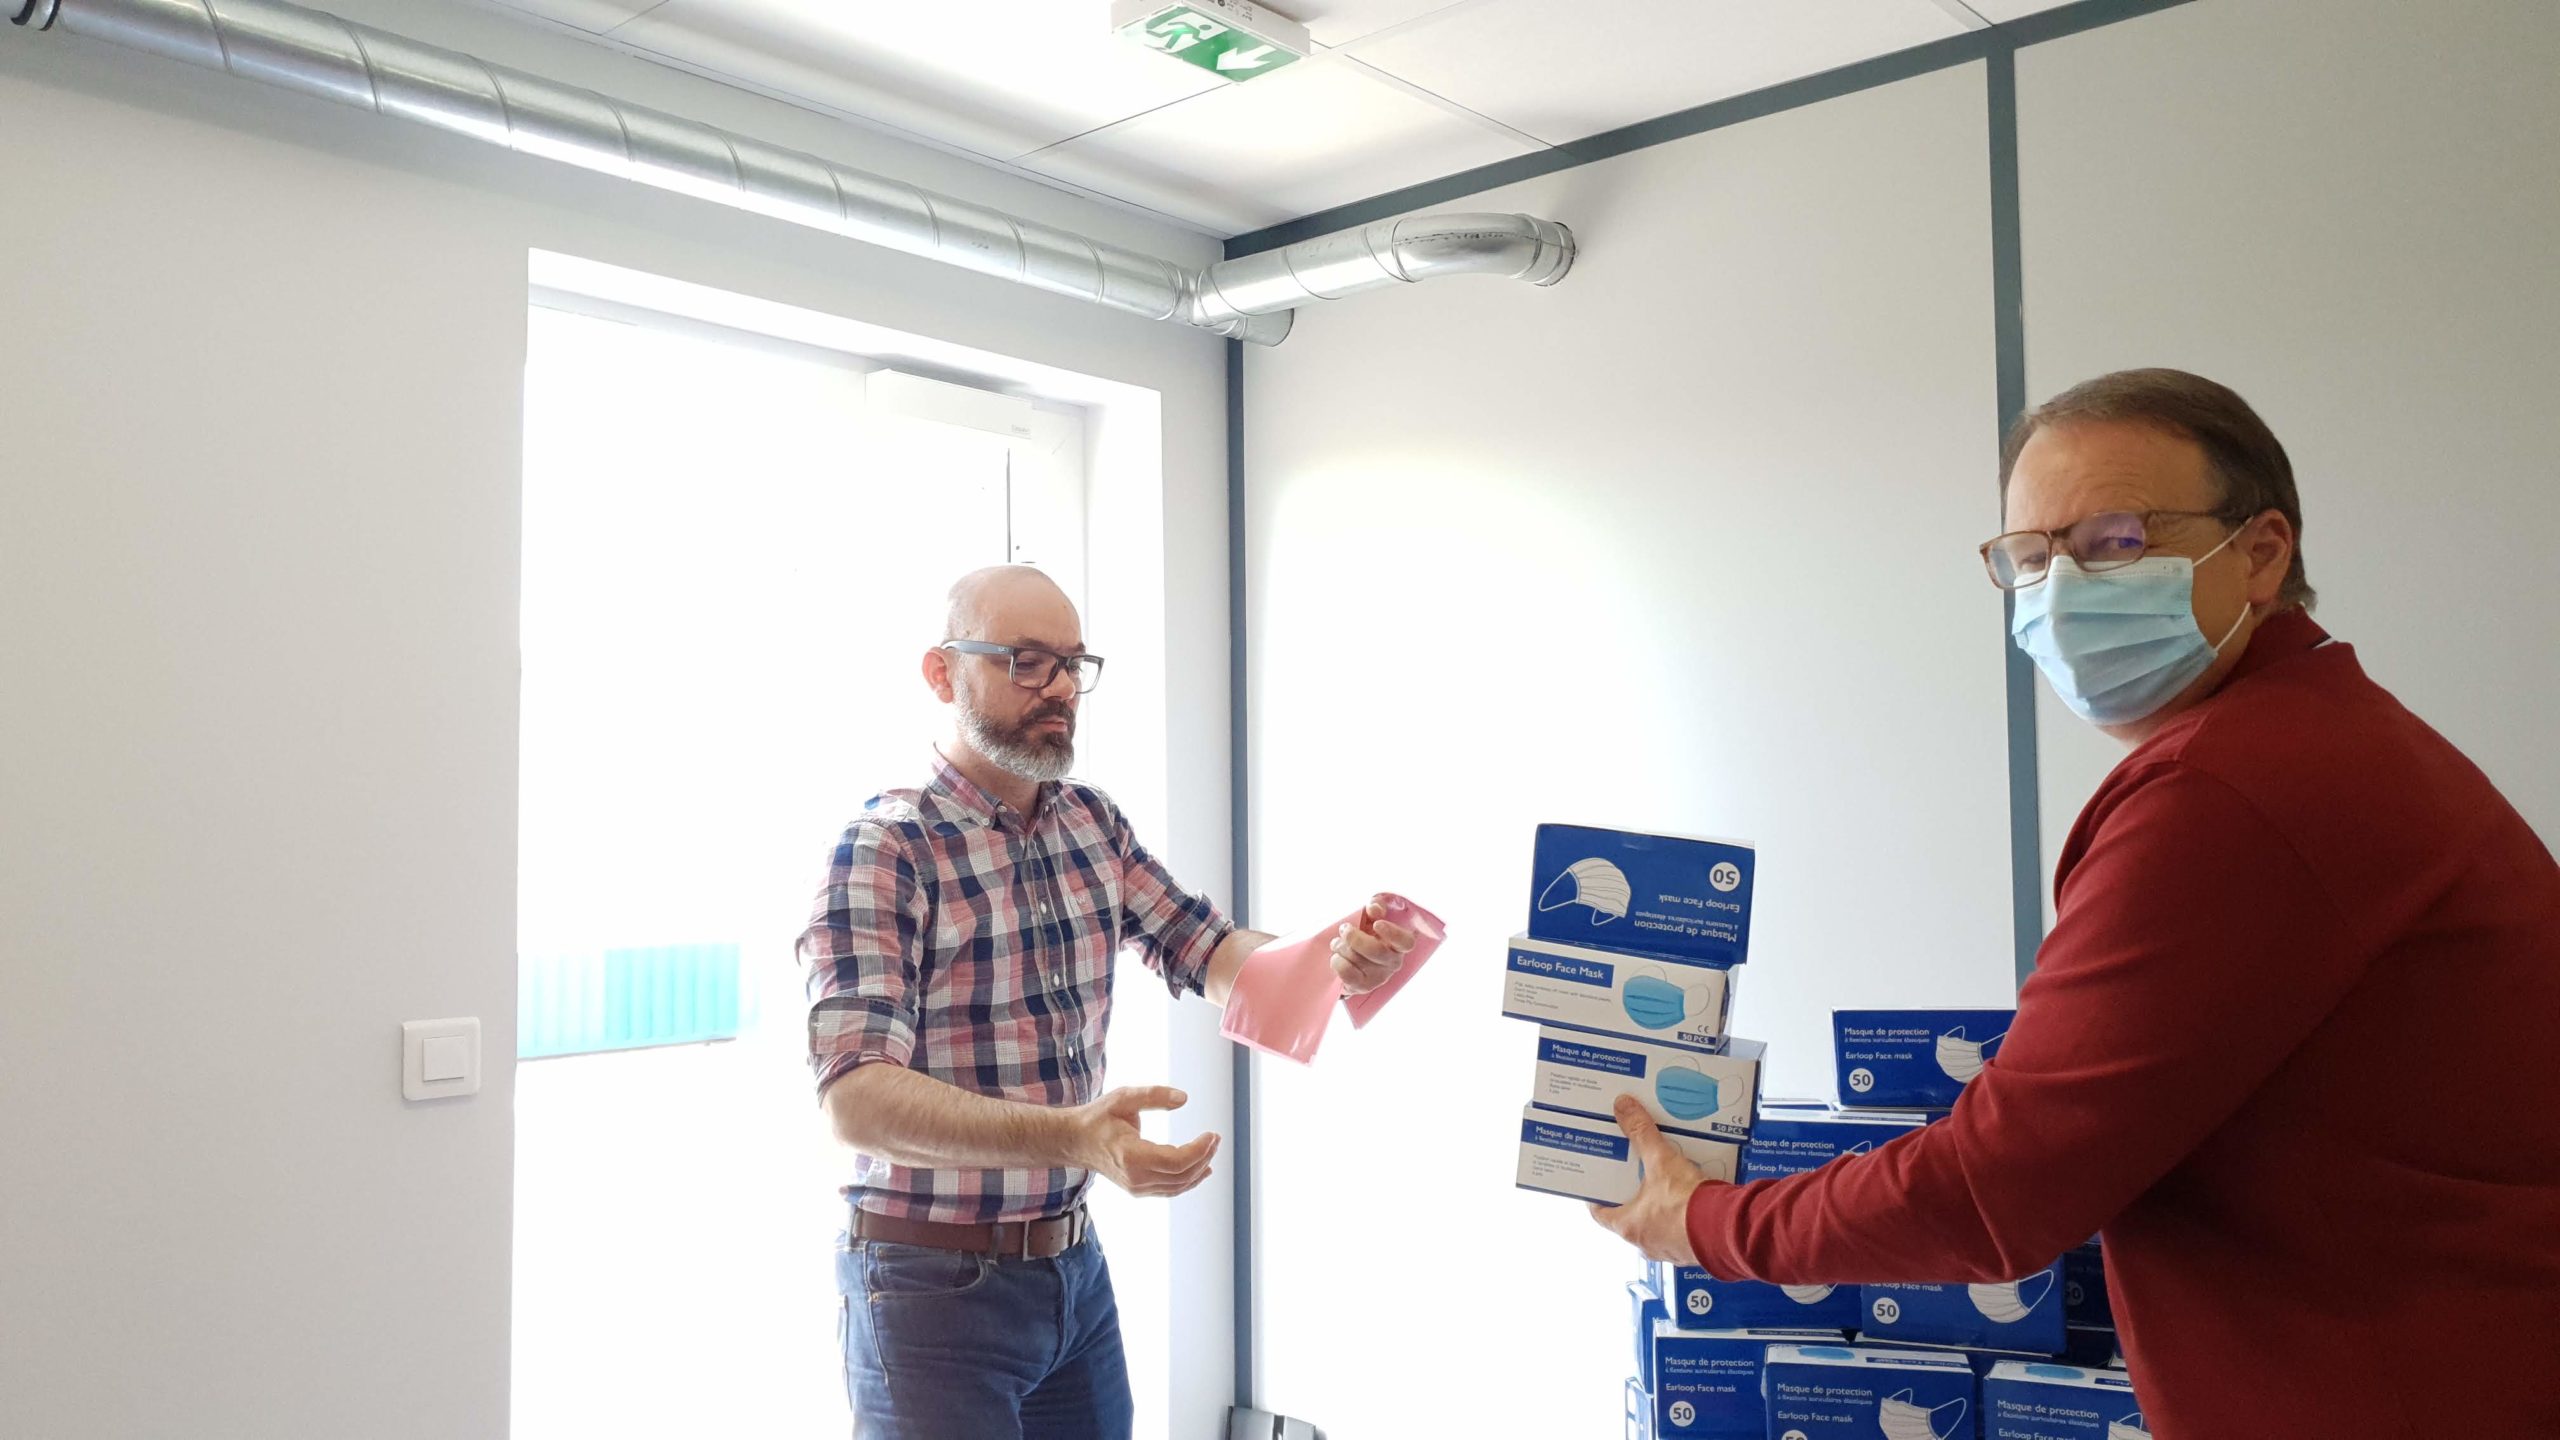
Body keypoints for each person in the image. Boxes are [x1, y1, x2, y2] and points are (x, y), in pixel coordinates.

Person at [1594, 368, 2560, 1437]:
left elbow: (1996, 1192)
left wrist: (1708, 1223)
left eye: (2114, 542)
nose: (2061, 591)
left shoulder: (2232, 790)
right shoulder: (2319, 736)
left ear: (2260, 552)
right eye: (2031, 557)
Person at [798, 565, 1416, 1440]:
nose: (1058, 688)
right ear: (942, 673)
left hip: (1070, 1270)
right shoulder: (885, 850)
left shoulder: (1091, 824)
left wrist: (1336, 959)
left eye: (1072, 663)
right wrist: (1072, 1135)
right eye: (1025, 661)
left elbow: (1212, 951)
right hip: (927, 1288)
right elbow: (856, 1101)